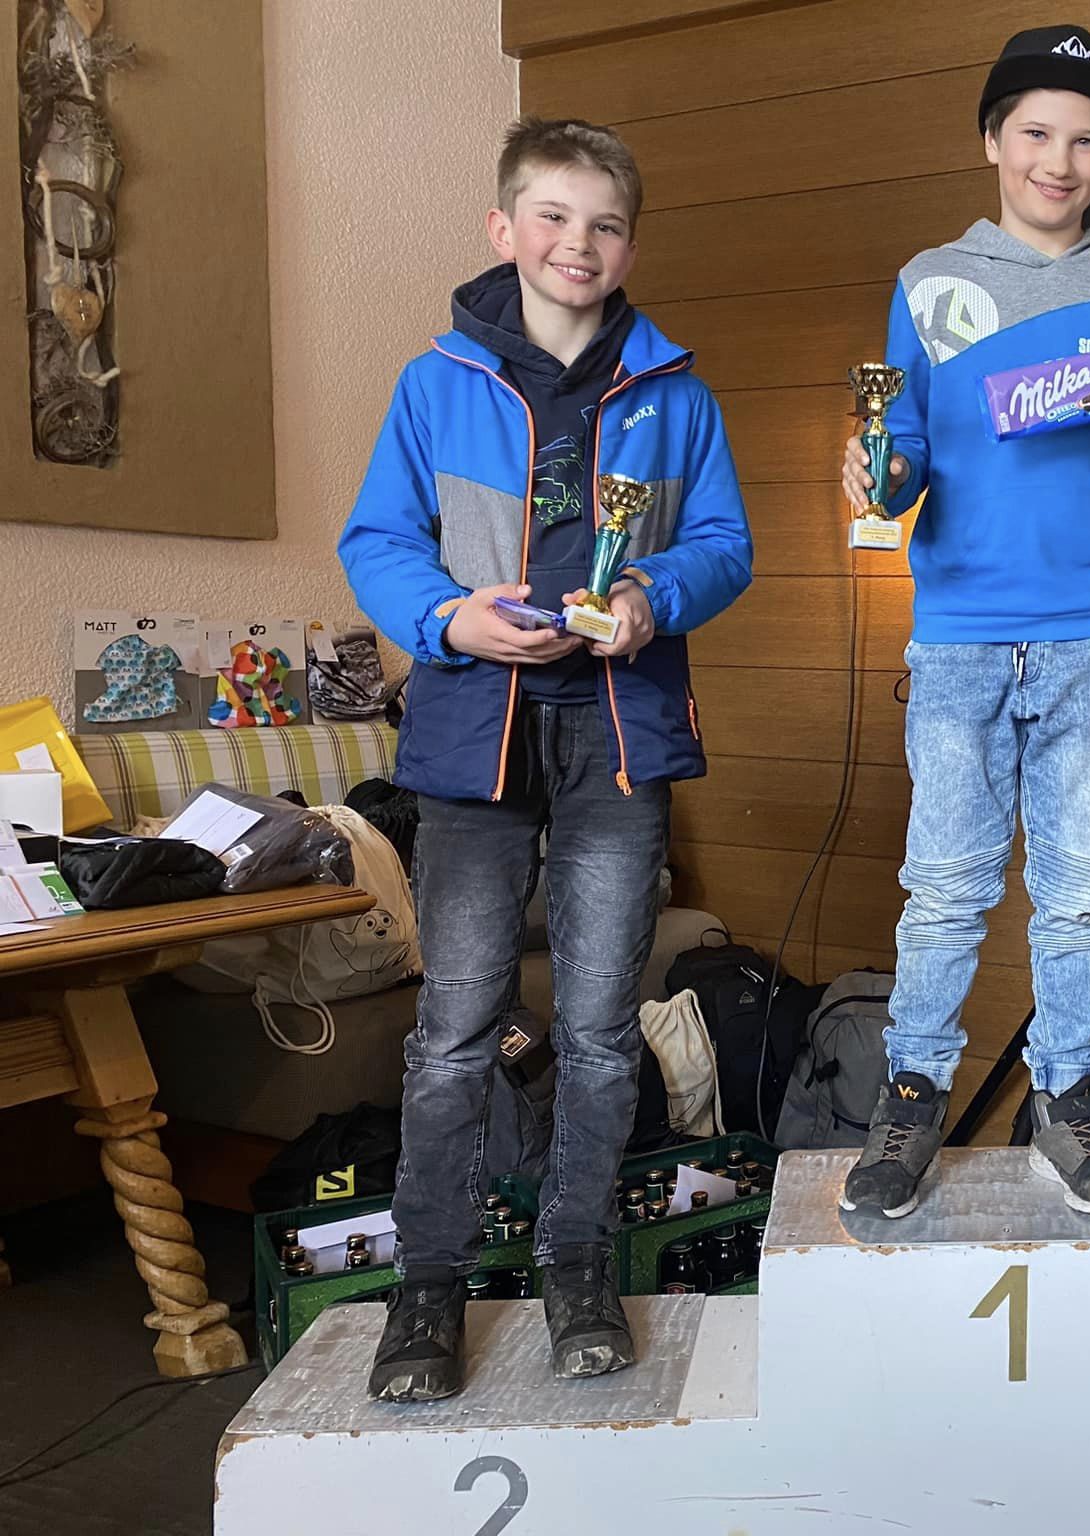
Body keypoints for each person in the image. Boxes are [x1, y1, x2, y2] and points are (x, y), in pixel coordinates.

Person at [338, 115, 752, 1400]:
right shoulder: (433, 385)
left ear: (630, 244)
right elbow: (377, 540)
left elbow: (725, 546)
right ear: (504, 229)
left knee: (599, 1031)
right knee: (454, 1032)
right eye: (555, 217)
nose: (580, 243)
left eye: (606, 224)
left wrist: (651, 601)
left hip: (618, 744)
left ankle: (578, 1262)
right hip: (472, 739)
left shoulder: (678, 393)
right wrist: (446, 620)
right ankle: (429, 1282)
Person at [837, 27, 1090, 1220]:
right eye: (1037, 133)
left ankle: (1064, 1099)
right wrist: (875, 473)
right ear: (991, 141)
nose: (1059, 161)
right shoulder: (925, 282)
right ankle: (910, 1101)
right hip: (955, 634)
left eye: (1085, 142)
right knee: (945, 890)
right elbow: (902, 462)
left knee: (1082, 894)